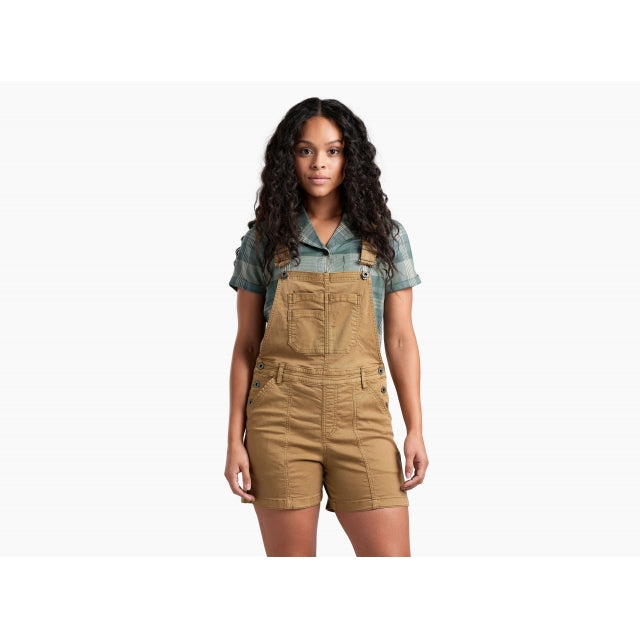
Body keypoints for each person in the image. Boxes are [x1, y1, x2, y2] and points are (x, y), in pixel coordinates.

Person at [225, 97, 428, 556]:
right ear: (288, 159)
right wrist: (234, 439)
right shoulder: (264, 239)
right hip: (280, 419)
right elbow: (247, 345)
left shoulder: (385, 236)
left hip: (362, 417)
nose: (319, 163)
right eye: (305, 150)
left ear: (351, 159)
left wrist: (415, 427)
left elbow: (400, 339)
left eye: (333, 151)